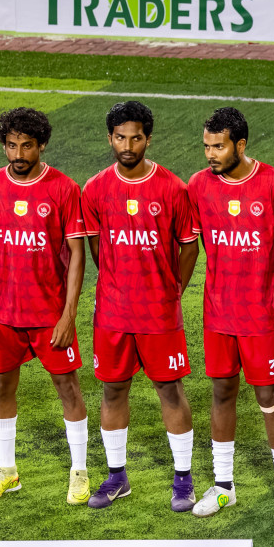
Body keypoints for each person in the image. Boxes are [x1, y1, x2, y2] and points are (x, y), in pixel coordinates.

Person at [183, 107, 274, 523]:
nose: (210, 154)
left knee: (269, 398)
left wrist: (272, 284)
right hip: (219, 313)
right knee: (221, 393)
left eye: (218, 146)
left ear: (240, 144)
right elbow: (190, 244)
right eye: (206, 146)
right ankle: (223, 487)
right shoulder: (199, 186)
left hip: (263, 316)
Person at [80, 102, 200, 511]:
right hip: (112, 312)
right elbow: (96, 246)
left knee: (169, 389)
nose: (127, 145)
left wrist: (173, 288)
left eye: (135, 137)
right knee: (113, 389)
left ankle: (183, 479)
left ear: (148, 139)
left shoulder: (172, 188)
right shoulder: (95, 189)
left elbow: (188, 245)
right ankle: (117, 477)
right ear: (109, 138)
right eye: (120, 137)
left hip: (159, 313)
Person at [0, 108, 90, 505]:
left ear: (41, 146)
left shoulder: (63, 188)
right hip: (3, 313)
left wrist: (68, 314)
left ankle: (79, 471)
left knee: (67, 387)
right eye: (11, 145)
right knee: (2, 385)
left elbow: (77, 254)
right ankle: (7, 471)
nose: (18, 153)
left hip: (49, 313)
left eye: (26, 146)